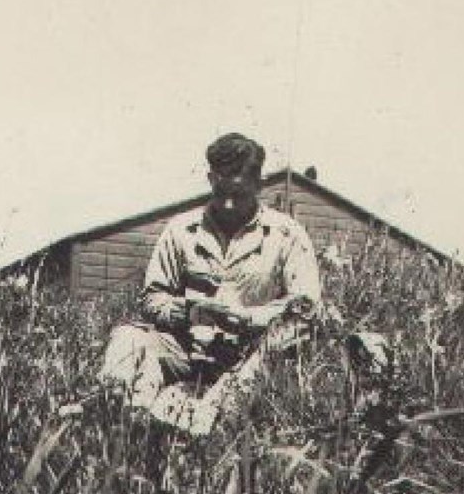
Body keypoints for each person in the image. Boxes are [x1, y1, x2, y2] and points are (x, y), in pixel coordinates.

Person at [98, 133, 321, 436]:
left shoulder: (287, 236)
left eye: (239, 194)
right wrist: (185, 311)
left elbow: (307, 309)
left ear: (259, 184)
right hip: (184, 348)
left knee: (279, 343)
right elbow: (152, 298)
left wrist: (250, 319)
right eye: (220, 191)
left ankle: (209, 424)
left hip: (250, 353)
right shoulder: (181, 230)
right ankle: (126, 423)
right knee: (127, 337)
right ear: (209, 179)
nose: (228, 204)